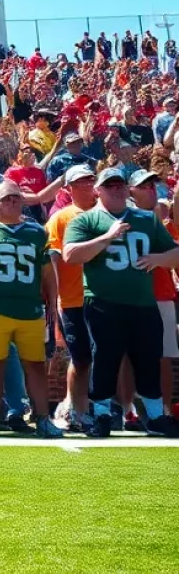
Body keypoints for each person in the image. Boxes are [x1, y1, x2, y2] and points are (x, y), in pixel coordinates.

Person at [63, 167, 179, 437]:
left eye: (119, 185)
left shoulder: (146, 219)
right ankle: (102, 416)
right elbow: (70, 255)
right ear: (98, 190)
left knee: (149, 360)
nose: (115, 189)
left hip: (143, 303)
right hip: (104, 302)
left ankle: (155, 416)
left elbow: (175, 251)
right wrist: (107, 237)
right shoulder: (86, 220)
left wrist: (160, 260)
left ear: (127, 189)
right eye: (109, 185)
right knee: (105, 358)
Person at [0, 181, 63, 438]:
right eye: (5, 198)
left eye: (15, 198)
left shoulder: (36, 231)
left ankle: (42, 418)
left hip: (29, 308)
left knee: (36, 366)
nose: (11, 202)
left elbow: (46, 272)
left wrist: (52, 302)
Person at [46, 165, 98, 429]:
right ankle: (77, 410)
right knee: (81, 358)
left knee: (97, 357)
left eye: (90, 180)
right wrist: (55, 301)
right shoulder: (61, 218)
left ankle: (75, 406)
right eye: (80, 182)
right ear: (68, 188)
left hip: (103, 298)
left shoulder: (107, 213)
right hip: (73, 299)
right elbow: (53, 259)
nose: (87, 185)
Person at [127, 170, 179, 419]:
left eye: (152, 185)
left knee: (164, 356)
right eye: (143, 185)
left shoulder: (165, 225)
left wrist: (157, 259)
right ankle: (128, 409)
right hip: (132, 296)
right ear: (131, 191)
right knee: (126, 355)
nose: (150, 189)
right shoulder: (123, 220)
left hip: (162, 295)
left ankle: (166, 410)